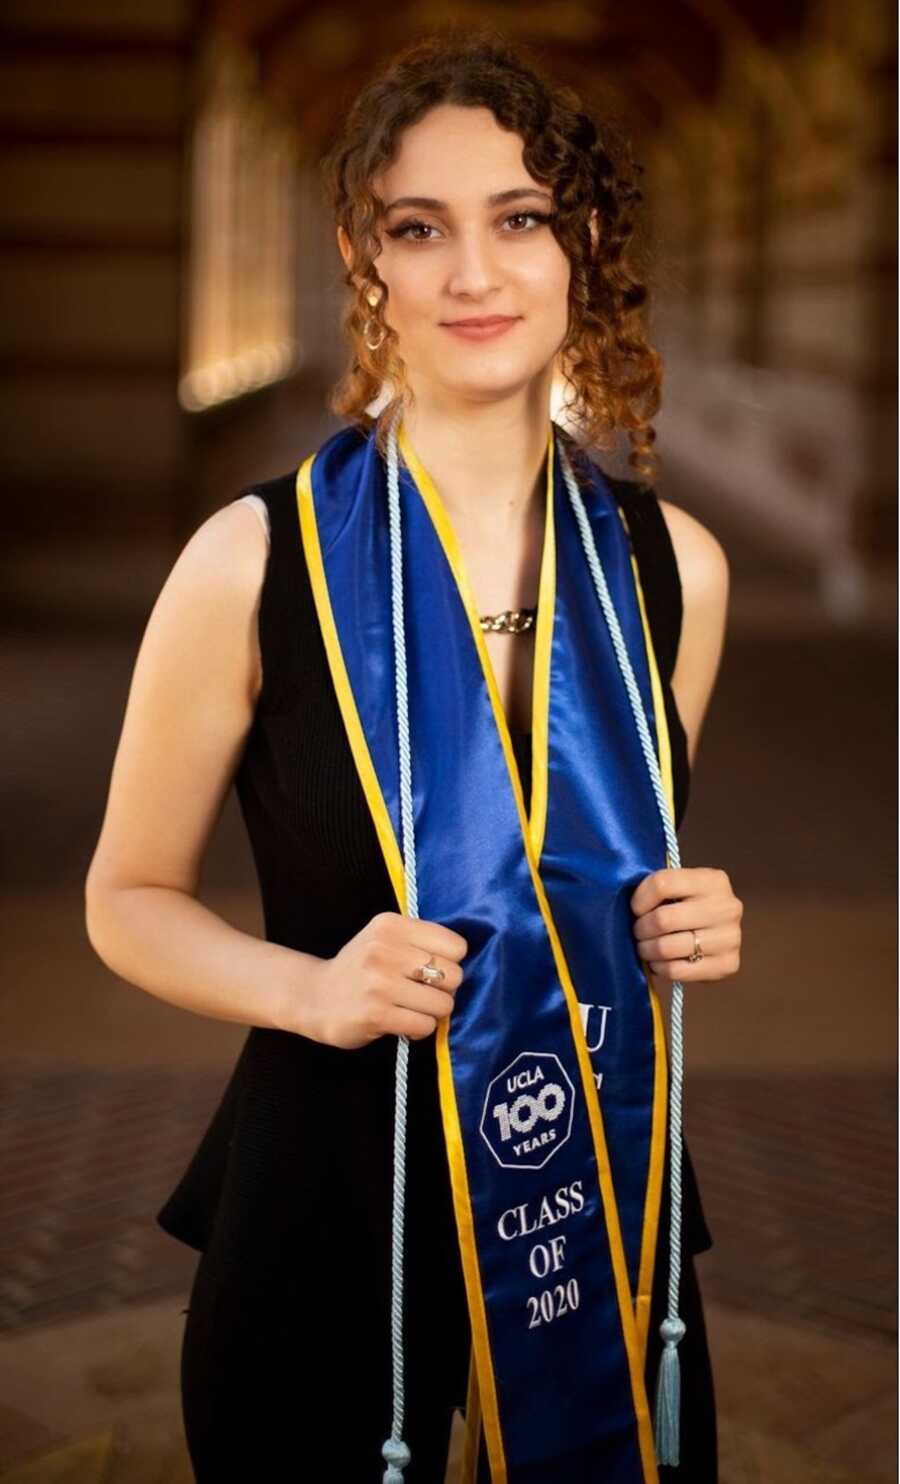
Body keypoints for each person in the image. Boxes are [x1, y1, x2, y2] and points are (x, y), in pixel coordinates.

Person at [84, 32, 741, 1484]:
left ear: (582, 249)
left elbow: (615, 882)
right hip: (327, 1198)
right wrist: (310, 989)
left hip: (601, 1209)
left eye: (520, 220)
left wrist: (683, 916)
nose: (475, 275)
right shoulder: (250, 564)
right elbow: (124, 896)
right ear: (361, 257)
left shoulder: (672, 573)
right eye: (419, 228)